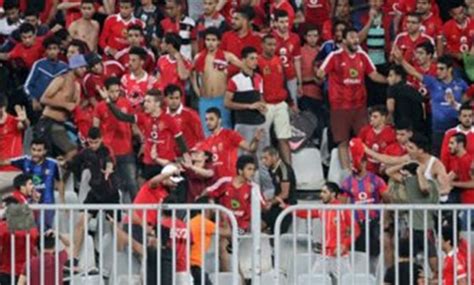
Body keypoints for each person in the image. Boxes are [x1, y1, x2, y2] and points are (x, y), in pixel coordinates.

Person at [316, 27, 387, 171]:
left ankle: (364, 171)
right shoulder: (334, 56)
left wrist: (389, 81)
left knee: (364, 140)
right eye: (352, 37)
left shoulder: (363, 56)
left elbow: (373, 75)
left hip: (359, 105)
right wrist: (322, 75)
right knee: (343, 141)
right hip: (339, 106)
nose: (356, 40)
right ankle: (346, 174)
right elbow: (320, 73)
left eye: (356, 37)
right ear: (343, 41)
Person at [98, 85, 188, 180]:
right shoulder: (143, 117)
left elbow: (180, 140)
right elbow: (122, 116)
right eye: (145, 101)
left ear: (157, 103)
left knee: (164, 192)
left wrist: (185, 159)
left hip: (164, 163)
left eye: (148, 101)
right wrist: (108, 101)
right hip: (148, 163)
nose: (145, 104)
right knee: (141, 188)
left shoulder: (169, 120)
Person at [394, 51, 468, 156]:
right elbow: (413, 72)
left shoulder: (461, 84)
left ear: (450, 69)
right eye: (437, 68)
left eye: (441, 69)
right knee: (437, 157)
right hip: (437, 130)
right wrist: (401, 60)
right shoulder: (432, 82)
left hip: (456, 130)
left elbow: (468, 100)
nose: (438, 71)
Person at [66, 127, 120, 265]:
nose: (93, 145)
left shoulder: (107, 150)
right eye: (90, 142)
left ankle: (118, 258)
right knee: (80, 223)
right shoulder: (86, 152)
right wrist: (64, 163)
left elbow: (110, 161)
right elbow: (73, 164)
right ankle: (74, 258)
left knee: (116, 227)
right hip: (95, 193)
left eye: (96, 142)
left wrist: (108, 169)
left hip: (110, 193)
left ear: (101, 139)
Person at [294, 182, 360, 276]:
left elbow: (356, 230)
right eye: (321, 192)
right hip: (324, 254)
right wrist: (288, 208)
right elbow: (306, 213)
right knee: (314, 281)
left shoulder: (343, 209)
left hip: (339, 255)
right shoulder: (322, 209)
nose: (321, 195)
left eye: (324, 192)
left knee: (348, 281)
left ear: (333, 194)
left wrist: (344, 245)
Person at [386, 161, 439, 275]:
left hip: (426, 227)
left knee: (431, 256)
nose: (404, 176)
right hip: (412, 227)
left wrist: (416, 171)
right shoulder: (409, 182)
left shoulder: (429, 184)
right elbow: (388, 172)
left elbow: (424, 189)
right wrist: (406, 163)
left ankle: (436, 277)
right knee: (408, 256)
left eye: (406, 174)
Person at [340, 138, 390, 258]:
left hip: (374, 222)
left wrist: (385, 219)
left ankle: (375, 275)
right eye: (351, 162)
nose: (354, 165)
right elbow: (341, 206)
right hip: (356, 224)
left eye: (356, 162)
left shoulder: (377, 180)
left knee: (375, 253)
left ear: (364, 163)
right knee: (356, 253)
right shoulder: (346, 183)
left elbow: (388, 199)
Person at [34, 54, 88, 160]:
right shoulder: (61, 79)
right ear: (74, 67)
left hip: (62, 124)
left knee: (72, 153)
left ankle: (59, 175)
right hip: (48, 122)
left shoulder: (77, 86)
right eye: (81, 67)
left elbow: (74, 107)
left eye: (85, 67)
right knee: (71, 151)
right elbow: (43, 99)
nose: (84, 70)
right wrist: (65, 104)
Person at [365, 132, 452, 198]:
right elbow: (388, 160)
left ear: (421, 150)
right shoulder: (410, 158)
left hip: (437, 207)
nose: (407, 150)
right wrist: (365, 150)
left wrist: (425, 194)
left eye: (411, 148)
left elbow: (446, 188)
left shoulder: (436, 165)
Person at [192, 27, 244, 134]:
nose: (210, 43)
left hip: (221, 99)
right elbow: (192, 73)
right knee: (206, 131)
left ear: (219, 41)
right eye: (208, 40)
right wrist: (196, 89)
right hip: (205, 100)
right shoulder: (199, 57)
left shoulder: (227, 56)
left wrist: (233, 87)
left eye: (213, 40)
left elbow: (244, 67)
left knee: (224, 130)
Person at [1, 139, 63, 228]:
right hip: (29, 204)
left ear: (45, 151)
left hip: (47, 204)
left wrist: (62, 200)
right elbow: (5, 162)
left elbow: (60, 181)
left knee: (44, 231)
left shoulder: (53, 164)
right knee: (30, 231)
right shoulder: (25, 160)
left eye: (39, 150)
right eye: (33, 149)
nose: (35, 153)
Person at [93, 77, 136, 203]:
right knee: (113, 186)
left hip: (126, 150)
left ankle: (139, 214)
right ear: (105, 91)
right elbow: (95, 129)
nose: (114, 94)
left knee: (132, 183)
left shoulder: (126, 103)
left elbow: (132, 124)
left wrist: (142, 141)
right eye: (111, 91)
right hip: (109, 153)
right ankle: (116, 217)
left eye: (117, 91)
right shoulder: (100, 107)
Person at [202, 155, 264, 233]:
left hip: (240, 226)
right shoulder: (225, 182)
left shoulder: (254, 188)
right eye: (249, 169)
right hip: (224, 222)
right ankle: (201, 229)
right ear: (240, 170)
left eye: (254, 170)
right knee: (208, 206)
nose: (252, 173)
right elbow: (207, 192)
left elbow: (263, 206)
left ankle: (203, 230)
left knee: (226, 235)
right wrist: (211, 203)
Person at [199, 107, 262, 179]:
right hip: (214, 183)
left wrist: (256, 140)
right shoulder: (206, 142)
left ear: (219, 120)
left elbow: (251, 148)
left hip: (230, 181)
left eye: (211, 119)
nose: (208, 122)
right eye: (206, 119)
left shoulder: (230, 135)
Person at [258, 34, 292, 164]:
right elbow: (256, 83)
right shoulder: (258, 62)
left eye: (274, 45)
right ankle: (264, 170)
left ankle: (289, 170)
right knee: (264, 139)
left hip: (280, 103)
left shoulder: (278, 60)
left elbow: (284, 82)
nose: (272, 47)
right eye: (269, 44)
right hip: (266, 105)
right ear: (262, 45)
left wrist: (290, 102)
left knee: (284, 138)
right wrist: (260, 102)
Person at [24, 36, 68, 123]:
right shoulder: (39, 64)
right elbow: (27, 86)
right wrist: (33, 99)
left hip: (55, 107)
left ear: (59, 50)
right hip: (38, 105)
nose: (52, 51)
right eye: (49, 49)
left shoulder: (65, 67)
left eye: (55, 48)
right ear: (46, 51)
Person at [189, 196, 231, 284]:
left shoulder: (195, 220)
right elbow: (227, 232)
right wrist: (223, 217)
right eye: (212, 205)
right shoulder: (203, 222)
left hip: (192, 263)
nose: (215, 208)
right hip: (194, 264)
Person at [0, 196, 39, 285]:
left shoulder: (3, 227)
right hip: (27, 272)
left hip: (7, 271)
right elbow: (36, 251)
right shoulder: (32, 228)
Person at [261, 146, 296, 234]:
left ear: (275, 156)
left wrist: (270, 202)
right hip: (277, 204)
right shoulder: (271, 168)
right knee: (260, 222)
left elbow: (285, 194)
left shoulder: (284, 170)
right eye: (262, 158)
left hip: (286, 205)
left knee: (275, 235)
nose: (263, 161)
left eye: (266, 158)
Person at [220, 5, 262, 76]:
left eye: (236, 19)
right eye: (232, 18)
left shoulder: (257, 39)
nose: (232, 21)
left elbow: (258, 62)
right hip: (228, 79)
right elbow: (221, 57)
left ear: (245, 21)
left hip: (248, 79)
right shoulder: (226, 36)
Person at [272, 9, 302, 105]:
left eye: (286, 21)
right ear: (275, 23)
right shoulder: (270, 38)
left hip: (291, 77)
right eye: (281, 22)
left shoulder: (295, 38)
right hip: (275, 78)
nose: (285, 25)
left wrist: (300, 82)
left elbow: (297, 60)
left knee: (293, 106)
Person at [386, 64, 425, 134]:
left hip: (402, 125)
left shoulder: (392, 88)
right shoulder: (412, 89)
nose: (388, 78)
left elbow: (390, 108)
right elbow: (423, 105)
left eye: (390, 75)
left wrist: (389, 119)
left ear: (398, 76)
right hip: (418, 126)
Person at [0, 97, 29, 192]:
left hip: (11, 171)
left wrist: (24, 120)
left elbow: (24, 125)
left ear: (3, 108)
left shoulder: (13, 121)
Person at [358, 105, 396, 174]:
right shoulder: (365, 130)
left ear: (383, 118)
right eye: (371, 116)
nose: (371, 119)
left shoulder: (391, 133)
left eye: (375, 117)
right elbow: (358, 148)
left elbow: (393, 153)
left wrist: (385, 165)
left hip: (384, 169)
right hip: (367, 169)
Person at [164, 84, 204, 149]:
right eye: (171, 98)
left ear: (181, 98)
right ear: (165, 98)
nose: (174, 101)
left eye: (177, 98)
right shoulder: (162, 114)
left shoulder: (191, 114)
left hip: (189, 154)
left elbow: (200, 137)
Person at [447, 133, 474, 226]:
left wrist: (453, 183)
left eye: (451, 143)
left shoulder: (469, 160)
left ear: (460, 144)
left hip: (471, 203)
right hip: (465, 203)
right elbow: (448, 178)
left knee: (465, 233)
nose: (448, 146)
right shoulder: (459, 160)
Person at [441, 104, 474, 171]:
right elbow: (445, 156)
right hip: (453, 173)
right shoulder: (449, 133)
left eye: (470, 116)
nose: (467, 119)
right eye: (464, 116)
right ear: (459, 117)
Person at [300, 24, 323, 112]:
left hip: (320, 93)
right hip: (306, 93)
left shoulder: (321, 50)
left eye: (315, 36)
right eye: (309, 36)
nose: (312, 39)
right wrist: (312, 79)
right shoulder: (300, 51)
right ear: (305, 37)